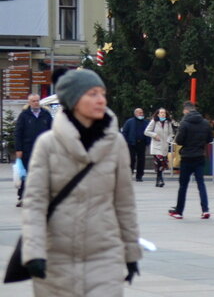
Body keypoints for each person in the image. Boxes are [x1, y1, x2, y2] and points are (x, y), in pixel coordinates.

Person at [20, 68, 142, 295]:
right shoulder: (47, 144)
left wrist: (131, 252)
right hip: (56, 259)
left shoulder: (115, 143)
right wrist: (34, 252)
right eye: (92, 94)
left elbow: (124, 204)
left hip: (104, 257)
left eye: (102, 94)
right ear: (73, 99)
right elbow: (35, 204)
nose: (100, 100)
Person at [169, 101, 211, 220]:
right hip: (199, 156)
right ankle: (205, 210)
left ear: (186, 110)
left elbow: (179, 141)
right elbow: (209, 138)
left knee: (183, 185)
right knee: (201, 184)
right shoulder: (205, 123)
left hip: (187, 157)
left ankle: (179, 211)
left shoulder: (184, 123)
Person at [13, 92, 53, 207]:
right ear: (29, 102)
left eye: (37, 101)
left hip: (44, 150)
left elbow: (52, 131)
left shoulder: (46, 115)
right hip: (28, 149)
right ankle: (23, 197)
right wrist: (18, 149)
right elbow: (18, 133)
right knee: (26, 174)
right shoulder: (24, 116)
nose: (36, 103)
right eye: (33, 101)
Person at [144, 107, 174, 187]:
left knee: (161, 164)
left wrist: (168, 139)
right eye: (161, 112)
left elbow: (171, 134)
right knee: (159, 161)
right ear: (158, 114)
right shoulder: (154, 121)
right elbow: (146, 131)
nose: (162, 114)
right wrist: (154, 135)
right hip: (156, 146)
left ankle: (158, 179)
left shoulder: (168, 122)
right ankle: (160, 179)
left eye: (164, 112)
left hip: (164, 146)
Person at [119, 107, 149, 182]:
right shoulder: (129, 122)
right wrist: (125, 141)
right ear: (135, 113)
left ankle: (139, 176)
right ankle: (129, 174)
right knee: (131, 159)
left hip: (142, 143)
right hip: (131, 143)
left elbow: (148, 132)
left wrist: (148, 141)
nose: (142, 114)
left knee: (141, 160)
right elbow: (124, 132)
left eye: (142, 112)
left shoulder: (146, 122)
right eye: (140, 113)